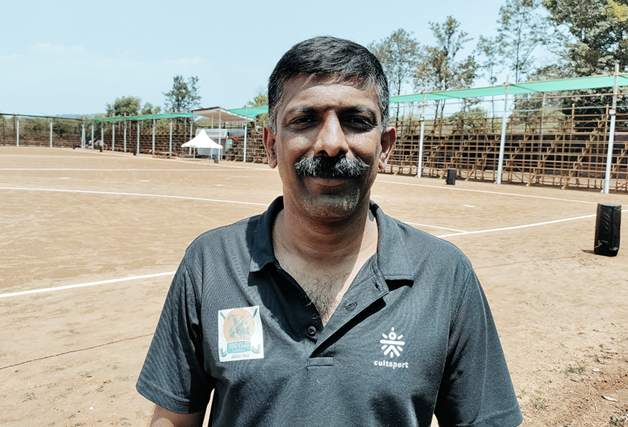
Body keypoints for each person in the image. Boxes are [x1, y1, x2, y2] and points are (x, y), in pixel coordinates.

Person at [136, 36, 523, 427]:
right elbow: (173, 420)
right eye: (304, 120)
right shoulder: (211, 263)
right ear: (271, 146)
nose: (332, 144)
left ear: (385, 147)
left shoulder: (445, 274)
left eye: (356, 121)